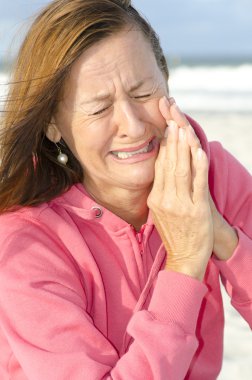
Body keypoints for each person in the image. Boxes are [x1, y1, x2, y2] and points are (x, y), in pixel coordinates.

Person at [0, 0, 251, 379]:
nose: (133, 127)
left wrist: (220, 235)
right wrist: (184, 262)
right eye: (100, 108)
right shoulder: (23, 244)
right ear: (53, 125)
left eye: (142, 92)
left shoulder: (211, 175)